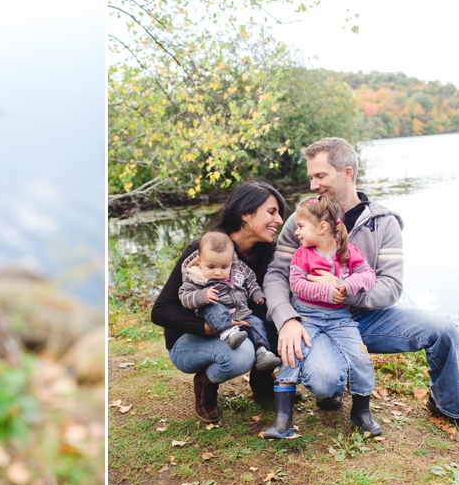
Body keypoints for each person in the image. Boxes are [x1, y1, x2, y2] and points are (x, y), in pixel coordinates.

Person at [263, 137, 459, 433]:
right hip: (314, 319)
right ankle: (329, 387)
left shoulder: (384, 223)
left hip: (366, 317)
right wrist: (287, 319)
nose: (313, 185)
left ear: (347, 173)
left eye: (320, 176)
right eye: (311, 177)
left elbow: (391, 286)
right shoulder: (302, 220)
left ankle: (448, 407)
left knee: (442, 329)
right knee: (324, 380)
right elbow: (277, 274)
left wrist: (343, 289)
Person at [151, 181, 286, 423]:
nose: (279, 220)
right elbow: (160, 311)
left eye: (279, 214)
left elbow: (266, 303)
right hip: (190, 340)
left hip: (239, 326)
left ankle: (262, 382)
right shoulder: (205, 250)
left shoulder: (265, 254)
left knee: (282, 315)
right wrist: (206, 327)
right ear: (245, 214)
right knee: (241, 355)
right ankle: (205, 383)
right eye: (272, 212)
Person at [264, 195, 381, 438]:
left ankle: (361, 411)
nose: (296, 232)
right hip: (308, 316)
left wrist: (346, 286)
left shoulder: (347, 251)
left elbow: (368, 275)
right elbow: (296, 285)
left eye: (301, 226)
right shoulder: (302, 254)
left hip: (341, 319)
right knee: (292, 353)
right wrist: (328, 291)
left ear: (322, 227)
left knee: (360, 357)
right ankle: (282, 420)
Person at [178, 231, 281, 371]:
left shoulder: (238, 269)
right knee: (214, 306)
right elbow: (184, 296)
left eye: (224, 267)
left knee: (257, 323)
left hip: (241, 313)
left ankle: (262, 351)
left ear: (231, 260)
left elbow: (251, 281)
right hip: (213, 316)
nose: (218, 272)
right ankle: (227, 333)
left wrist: (256, 294)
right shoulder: (196, 277)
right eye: (211, 267)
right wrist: (202, 296)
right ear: (200, 261)